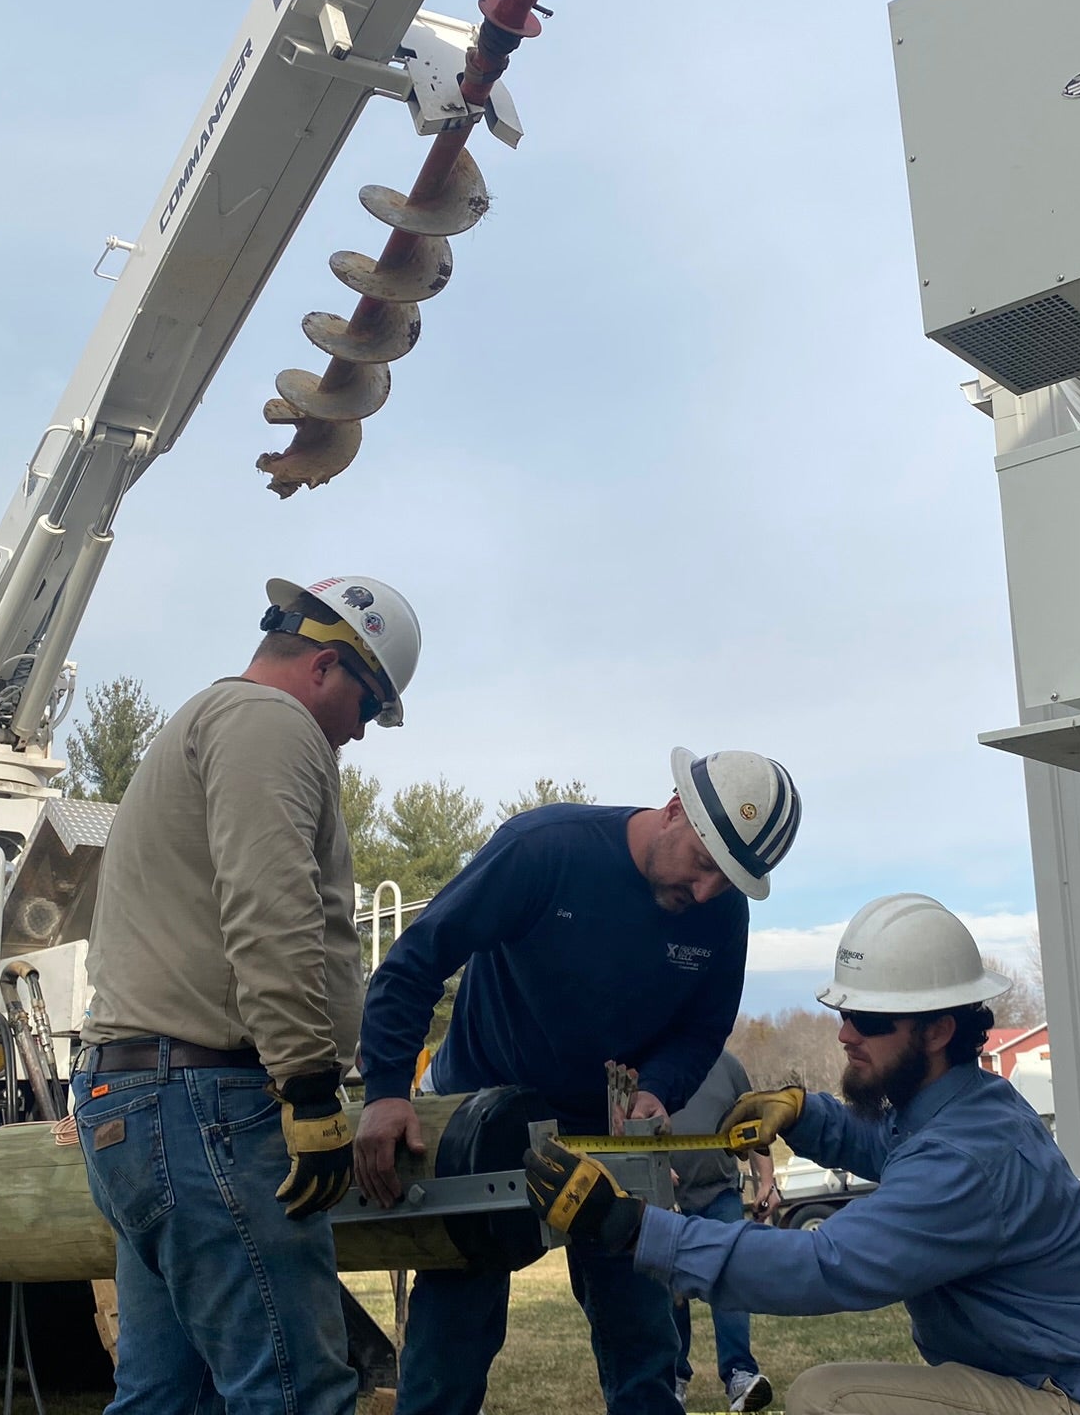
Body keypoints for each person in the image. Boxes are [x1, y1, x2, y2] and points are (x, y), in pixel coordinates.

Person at [526, 893, 1080, 1415]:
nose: (845, 1034)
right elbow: (886, 1142)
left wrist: (636, 1230)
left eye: (868, 1021)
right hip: (1059, 1386)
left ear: (938, 1029)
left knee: (830, 1400)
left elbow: (825, 1265)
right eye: (846, 1013)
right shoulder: (966, 1109)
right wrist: (805, 1114)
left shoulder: (968, 1159)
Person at [352, 747, 803, 1415]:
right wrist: (388, 1088)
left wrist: (657, 1088)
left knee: (643, 1343)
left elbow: (703, 1031)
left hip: (610, 1138)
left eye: (730, 881)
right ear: (674, 809)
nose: (705, 893)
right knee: (453, 1343)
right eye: (705, 864)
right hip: (483, 1119)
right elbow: (417, 961)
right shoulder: (545, 850)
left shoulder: (720, 913)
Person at [70, 574, 421, 1415]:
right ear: (328, 667)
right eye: (369, 708)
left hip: (141, 1101)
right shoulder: (271, 725)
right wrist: (307, 1088)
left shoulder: (201, 722)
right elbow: (272, 909)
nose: (360, 735)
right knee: (294, 1391)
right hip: (210, 1106)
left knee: (165, 1397)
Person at [667, 1048, 778, 1412]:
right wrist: (650, 1167)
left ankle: (740, 1377)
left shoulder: (728, 1066)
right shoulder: (648, 1064)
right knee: (670, 1291)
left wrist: (767, 1181)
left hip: (721, 1194)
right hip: (665, 1200)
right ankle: (672, 1378)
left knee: (731, 1279)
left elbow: (753, 1131)